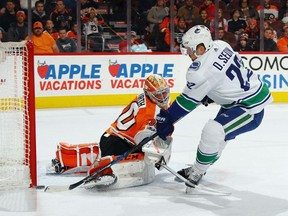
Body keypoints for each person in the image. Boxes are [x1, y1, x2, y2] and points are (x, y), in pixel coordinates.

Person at [155, 25, 272, 191]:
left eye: (189, 49)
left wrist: (168, 117)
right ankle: (198, 169)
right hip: (240, 98)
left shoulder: (199, 72)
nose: (187, 53)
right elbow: (223, 75)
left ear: (201, 48)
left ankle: (197, 173)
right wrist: (208, 94)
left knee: (213, 131)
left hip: (250, 106)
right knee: (218, 138)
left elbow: (187, 102)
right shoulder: (220, 45)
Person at [47, 74, 172, 190]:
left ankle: (65, 156)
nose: (163, 97)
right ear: (147, 93)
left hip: (114, 137)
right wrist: (158, 153)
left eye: (164, 93)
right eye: (158, 95)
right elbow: (142, 139)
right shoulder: (147, 112)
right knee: (141, 157)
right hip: (116, 141)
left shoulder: (154, 102)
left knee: (139, 155)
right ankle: (102, 169)